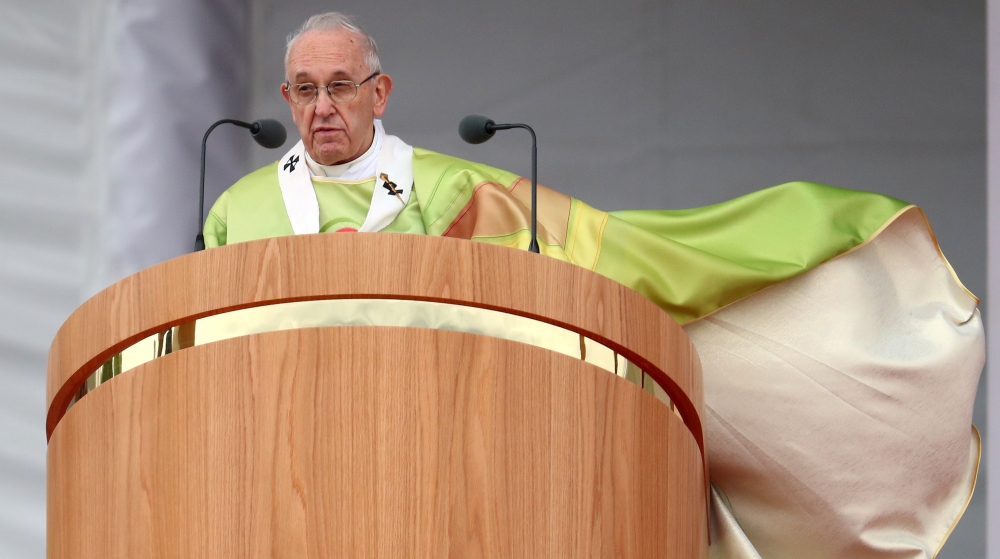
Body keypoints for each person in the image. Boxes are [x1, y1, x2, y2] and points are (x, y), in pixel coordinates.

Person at [204, 12, 983, 559]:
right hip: (283, 475)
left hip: (436, 471)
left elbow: (597, 261)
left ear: (380, 92)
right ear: (285, 101)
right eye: (305, 90)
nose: (323, 106)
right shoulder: (239, 208)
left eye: (341, 85)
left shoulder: (455, 190)